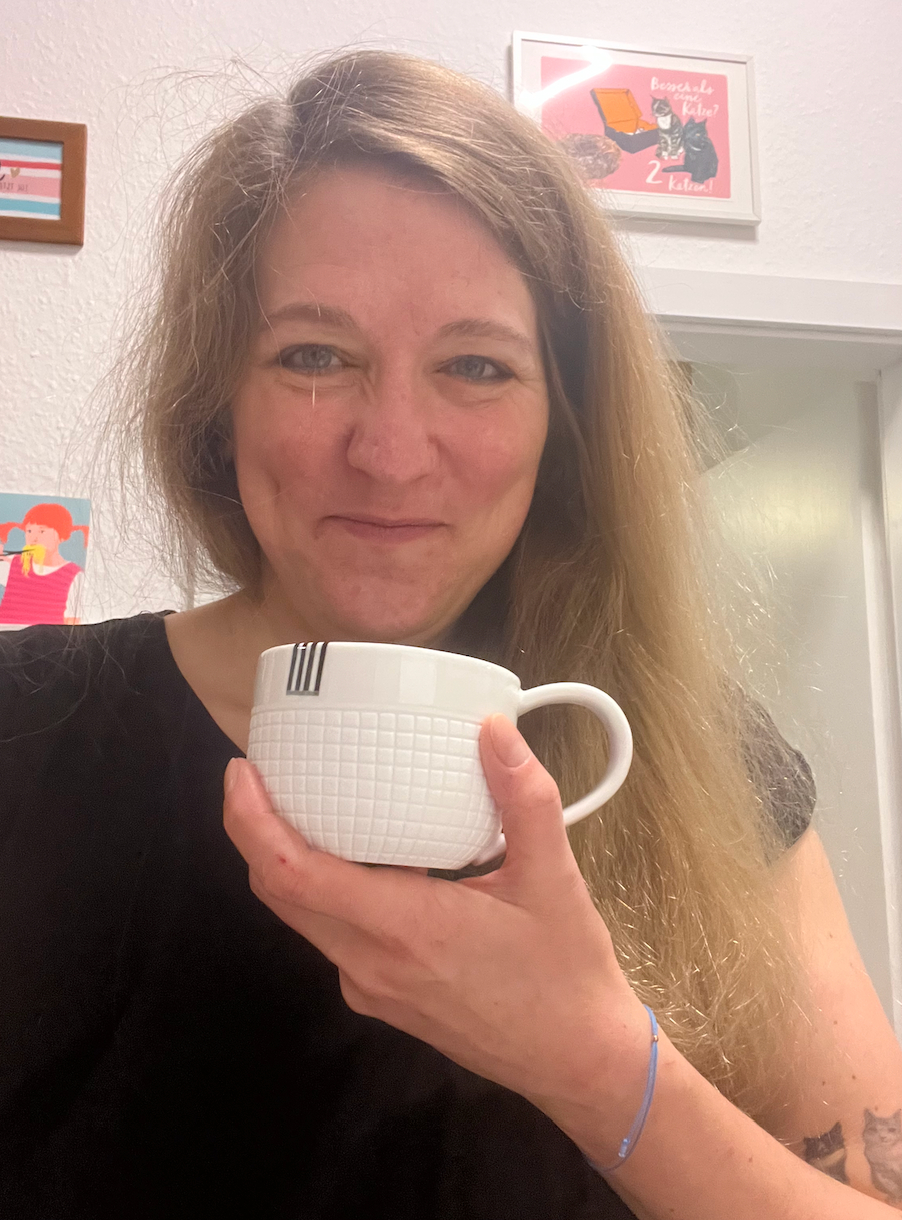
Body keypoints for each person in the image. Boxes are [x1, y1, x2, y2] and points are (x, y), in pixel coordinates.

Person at [1, 49, 900, 1220]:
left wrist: (595, 1064)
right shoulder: (26, 730)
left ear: (562, 425)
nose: (390, 451)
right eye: (314, 355)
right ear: (218, 400)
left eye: (475, 366)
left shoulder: (699, 763)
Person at [0, 502, 87, 626]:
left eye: (42, 531)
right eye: (29, 531)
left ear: (62, 536)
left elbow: (73, 625)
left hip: (45, 638)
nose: (33, 538)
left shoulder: (74, 575)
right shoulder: (13, 563)